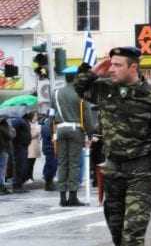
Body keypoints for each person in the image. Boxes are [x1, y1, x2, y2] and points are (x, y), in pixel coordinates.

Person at [74, 47, 151, 246]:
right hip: (113, 170)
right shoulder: (105, 89)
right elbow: (79, 87)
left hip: (141, 170)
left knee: (133, 234)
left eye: (118, 65)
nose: (112, 69)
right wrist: (94, 71)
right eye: (111, 64)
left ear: (133, 67)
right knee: (116, 230)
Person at [54, 66, 92, 207]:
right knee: (74, 163)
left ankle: (62, 197)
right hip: (75, 129)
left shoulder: (56, 93)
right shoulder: (81, 93)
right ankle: (73, 196)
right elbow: (87, 113)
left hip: (60, 129)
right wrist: (90, 132)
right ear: (76, 78)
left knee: (62, 163)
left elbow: (53, 113)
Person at [26, 111, 41, 182]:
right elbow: (30, 135)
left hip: (36, 146)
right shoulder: (29, 124)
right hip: (30, 146)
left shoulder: (36, 124)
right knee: (29, 163)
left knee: (32, 163)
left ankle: (30, 176)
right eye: (35, 115)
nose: (36, 117)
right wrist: (37, 132)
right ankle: (28, 177)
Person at [0, 116, 13, 195]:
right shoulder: (3, 127)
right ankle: (1, 187)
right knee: (2, 169)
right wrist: (10, 128)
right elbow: (10, 136)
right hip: (2, 150)